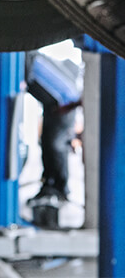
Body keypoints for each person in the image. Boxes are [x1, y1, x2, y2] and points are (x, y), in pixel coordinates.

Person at [25, 51, 82, 206]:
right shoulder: (31, 57)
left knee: (55, 146)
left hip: (64, 106)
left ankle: (60, 188)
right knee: (46, 145)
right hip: (53, 107)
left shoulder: (26, 60)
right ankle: (49, 184)